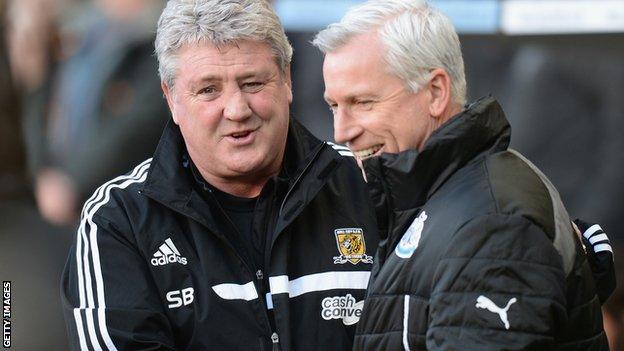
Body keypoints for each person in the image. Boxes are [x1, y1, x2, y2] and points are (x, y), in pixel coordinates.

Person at [61, 0, 378, 350]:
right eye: (209, 89)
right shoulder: (118, 221)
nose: (237, 109)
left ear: (287, 80)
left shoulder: (368, 184)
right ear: (172, 99)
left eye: (253, 83)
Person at [313, 0, 609, 349]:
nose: (342, 131)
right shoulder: (433, 200)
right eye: (334, 105)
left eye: (363, 103)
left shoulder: (492, 224)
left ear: (436, 92)